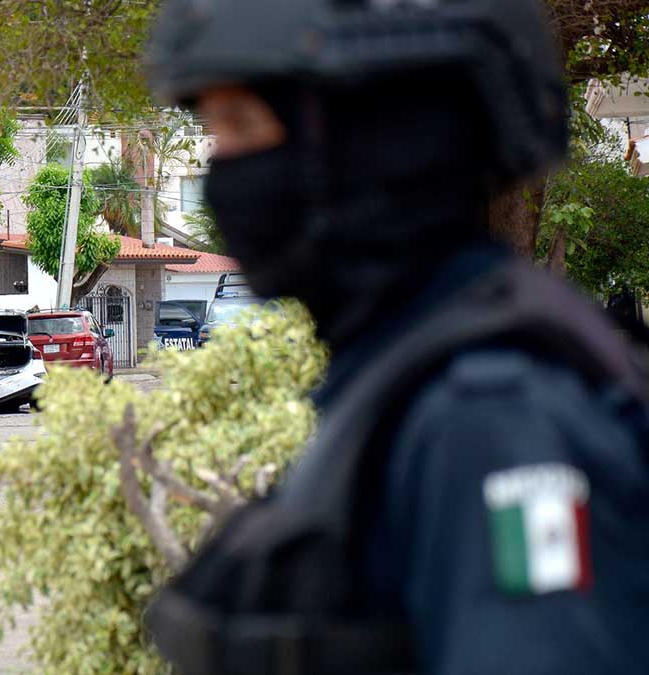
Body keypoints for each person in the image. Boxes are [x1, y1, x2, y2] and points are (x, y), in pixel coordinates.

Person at [143, 1, 649, 674]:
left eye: (241, 125)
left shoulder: (494, 412)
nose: (221, 170)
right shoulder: (397, 372)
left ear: (376, 140)